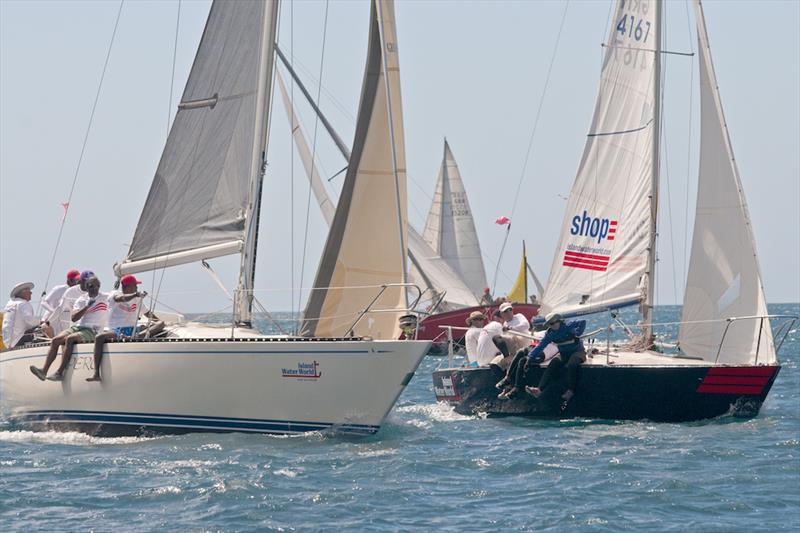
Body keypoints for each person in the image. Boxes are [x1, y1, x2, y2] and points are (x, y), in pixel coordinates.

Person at [30, 276, 109, 381]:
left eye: (97, 286)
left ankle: (59, 373)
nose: (94, 288)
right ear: (87, 287)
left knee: (70, 339)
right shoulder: (82, 300)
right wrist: (86, 307)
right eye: (91, 286)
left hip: (93, 330)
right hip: (79, 327)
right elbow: (74, 317)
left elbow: (118, 297)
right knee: (55, 340)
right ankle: (44, 371)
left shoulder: (105, 297)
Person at [87, 274, 152, 382]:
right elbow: (119, 299)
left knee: (161, 324)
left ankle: (136, 336)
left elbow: (148, 314)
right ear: (127, 287)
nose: (137, 288)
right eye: (135, 285)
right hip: (118, 330)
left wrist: (156, 321)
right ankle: (96, 373)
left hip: (133, 330)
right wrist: (136, 294)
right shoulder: (114, 294)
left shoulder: (137, 298)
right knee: (99, 337)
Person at [525, 312, 587, 403]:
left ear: (559, 321)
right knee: (554, 363)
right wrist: (529, 358)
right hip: (563, 353)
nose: (552, 326)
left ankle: (571, 390)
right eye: (550, 324)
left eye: (554, 323)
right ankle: (539, 389)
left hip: (578, 352)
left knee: (572, 364)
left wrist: (578, 333)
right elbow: (540, 346)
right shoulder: (550, 334)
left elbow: (583, 321)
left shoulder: (567, 325)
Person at [40, 269, 80, 337]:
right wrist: (53, 311)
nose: (78, 283)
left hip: (65, 321)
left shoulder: (76, 291)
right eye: (76, 280)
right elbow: (44, 302)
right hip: (52, 321)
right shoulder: (59, 289)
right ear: (69, 280)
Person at [2, 282, 42, 348]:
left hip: (9, 342)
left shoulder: (9, 304)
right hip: (19, 339)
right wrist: (41, 321)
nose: (31, 293)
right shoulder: (23, 303)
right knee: (45, 327)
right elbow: (30, 320)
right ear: (23, 293)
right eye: (29, 291)